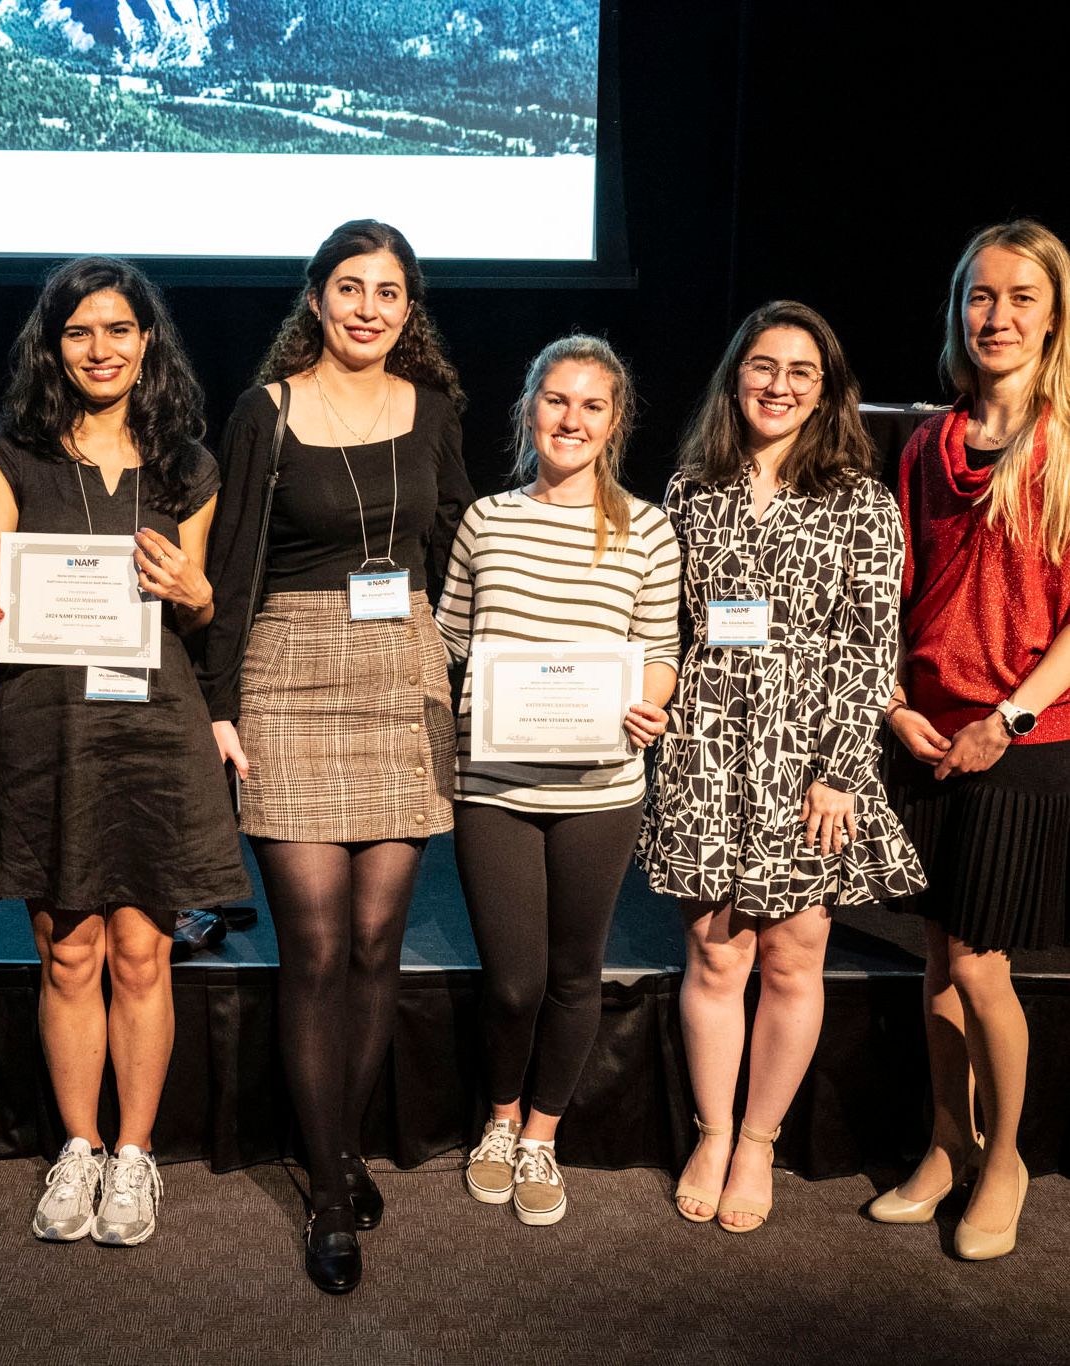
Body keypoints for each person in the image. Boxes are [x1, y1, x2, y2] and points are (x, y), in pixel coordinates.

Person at [201, 220, 473, 1293]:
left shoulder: (434, 411)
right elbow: (233, 566)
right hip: (288, 676)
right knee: (314, 947)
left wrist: (489, 675)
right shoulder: (264, 411)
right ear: (315, 298)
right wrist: (220, 704)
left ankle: (340, 1142)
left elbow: (457, 552)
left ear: (409, 309)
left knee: (374, 943)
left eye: (388, 292)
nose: (368, 308)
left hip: (402, 672)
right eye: (350, 288)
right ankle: (325, 1191)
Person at [0, 257, 248, 1249]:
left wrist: (193, 592)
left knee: (142, 951)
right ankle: (79, 1146)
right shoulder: (12, 456)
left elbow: (204, 606)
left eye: (118, 330)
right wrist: (27, 588)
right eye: (79, 332)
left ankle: (134, 1154)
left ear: (147, 342)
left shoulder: (187, 465)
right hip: (48, 727)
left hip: (152, 726)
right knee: (69, 950)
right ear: (54, 347)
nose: (100, 349)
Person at [640, 300, 925, 1233]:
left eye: (802, 371)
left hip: (811, 757)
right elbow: (669, 625)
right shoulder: (692, 490)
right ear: (735, 378)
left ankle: (759, 1142)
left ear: (827, 389)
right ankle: (713, 1132)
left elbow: (871, 646)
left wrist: (841, 769)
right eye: (763, 366)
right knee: (715, 952)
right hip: (707, 746)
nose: (780, 385)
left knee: (794, 959)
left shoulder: (859, 500)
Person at [436, 336, 680, 1226]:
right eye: (556, 400)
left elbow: (660, 650)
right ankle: (499, 1121)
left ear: (615, 423)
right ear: (529, 410)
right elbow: (449, 642)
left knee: (575, 975)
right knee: (512, 982)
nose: (571, 419)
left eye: (592, 405)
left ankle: (541, 1134)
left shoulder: (647, 528)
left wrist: (650, 705)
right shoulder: (486, 521)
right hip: (494, 787)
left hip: (600, 792)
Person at [870, 220, 1070, 1260]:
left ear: (1055, 315)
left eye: (1021, 297)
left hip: (1025, 735)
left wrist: (1009, 718)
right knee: (937, 962)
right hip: (932, 729)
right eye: (979, 296)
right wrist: (897, 704)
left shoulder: (1067, 443)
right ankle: (949, 1143)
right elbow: (902, 595)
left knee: (982, 964)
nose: (997, 316)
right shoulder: (929, 444)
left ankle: (1008, 1162)